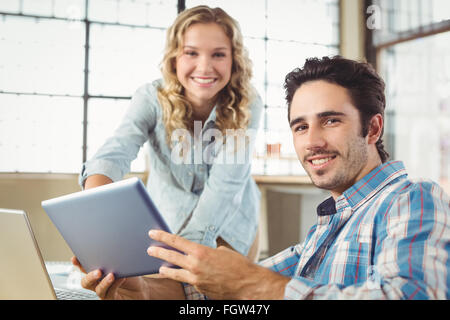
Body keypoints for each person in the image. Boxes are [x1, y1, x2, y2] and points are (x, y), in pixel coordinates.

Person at [75, 56, 450, 300]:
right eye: (300, 127)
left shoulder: (412, 200)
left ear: (373, 128)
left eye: (331, 120)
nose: (313, 141)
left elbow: (416, 295)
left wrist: (253, 286)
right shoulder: (325, 232)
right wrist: (134, 287)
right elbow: (198, 292)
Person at [78, 5, 263, 260]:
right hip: (166, 223)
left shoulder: (246, 104)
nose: (205, 67)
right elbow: (117, 150)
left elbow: (226, 184)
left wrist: (184, 251)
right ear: (175, 57)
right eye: (191, 53)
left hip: (230, 226)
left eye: (218, 54)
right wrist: (94, 208)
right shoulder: (151, 98)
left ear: (234, 60)